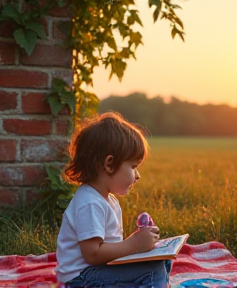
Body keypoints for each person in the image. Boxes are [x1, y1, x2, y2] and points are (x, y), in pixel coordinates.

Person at [55, 112, 171, 288]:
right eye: (133, 167)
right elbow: (92, 254)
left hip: (100, 270)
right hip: (83, 277)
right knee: (153, 270)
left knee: (163, 261)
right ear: (109, 164)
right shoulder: (89, 202)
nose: (137, 175)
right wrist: (135, 244)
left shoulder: (107, 199)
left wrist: (139, 248)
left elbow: (110, 246)